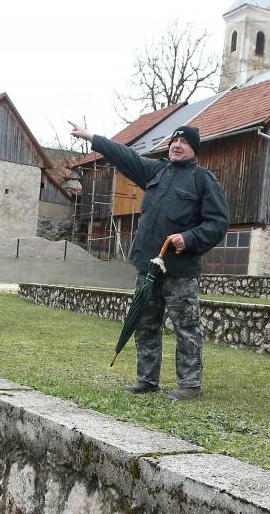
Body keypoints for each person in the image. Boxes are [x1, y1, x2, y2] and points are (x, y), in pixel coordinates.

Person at [69, 121, 230, 399]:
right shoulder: (156, 171)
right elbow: (125, 156)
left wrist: (189, 238)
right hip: (149, 267)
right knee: (145, 323)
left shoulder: (204, 180)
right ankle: (147, 380)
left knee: (186, 328)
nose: (177, 145)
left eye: (184, 143)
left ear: (194, 149)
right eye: (173, 142)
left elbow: (218, 223)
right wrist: (93, 137)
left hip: (180, 270)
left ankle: (190, 384)